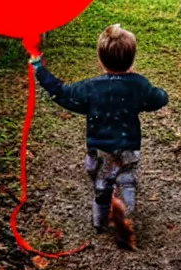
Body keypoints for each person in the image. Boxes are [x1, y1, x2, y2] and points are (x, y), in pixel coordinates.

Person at [30, 24, 169, 250]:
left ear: (100, 60)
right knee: (127, 179)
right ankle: (126, 212)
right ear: (132, 60)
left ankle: (99, 221)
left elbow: (62, 93)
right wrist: (160, 93)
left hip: (98, 149)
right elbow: (159, 99)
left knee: (101, 184)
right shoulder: (139, 85)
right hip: (128, 147)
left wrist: (40, 70)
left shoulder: (91, 87)